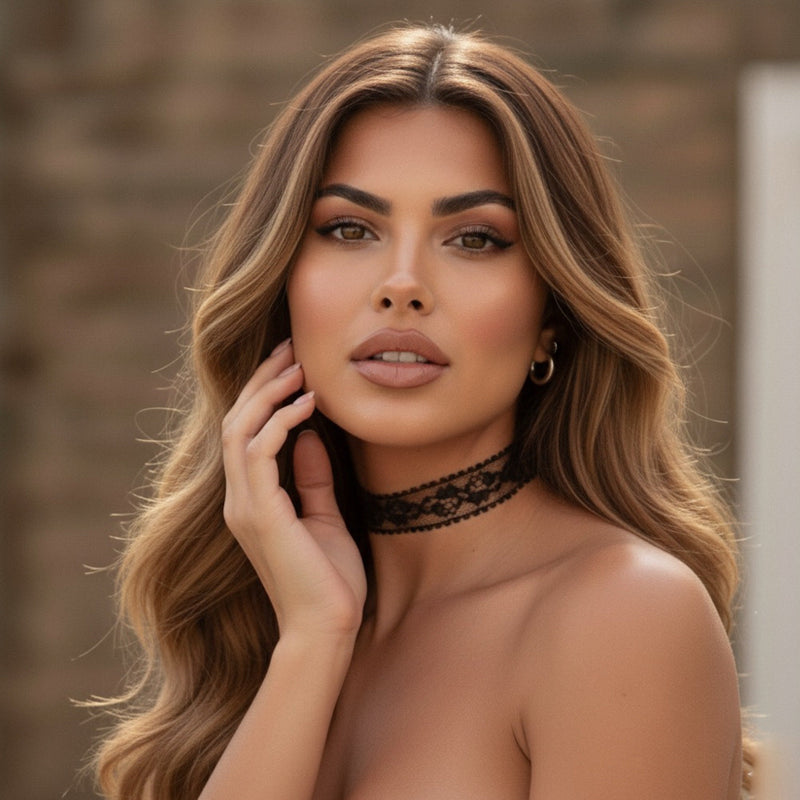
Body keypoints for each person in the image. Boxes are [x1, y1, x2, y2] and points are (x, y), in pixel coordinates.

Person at [92, 22, 755, 800]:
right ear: (282, 283)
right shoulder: (284, 622)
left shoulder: (625, 612)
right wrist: (314, 640)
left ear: (552, 314)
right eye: (349, 229)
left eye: (474, 239)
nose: (401, 285)